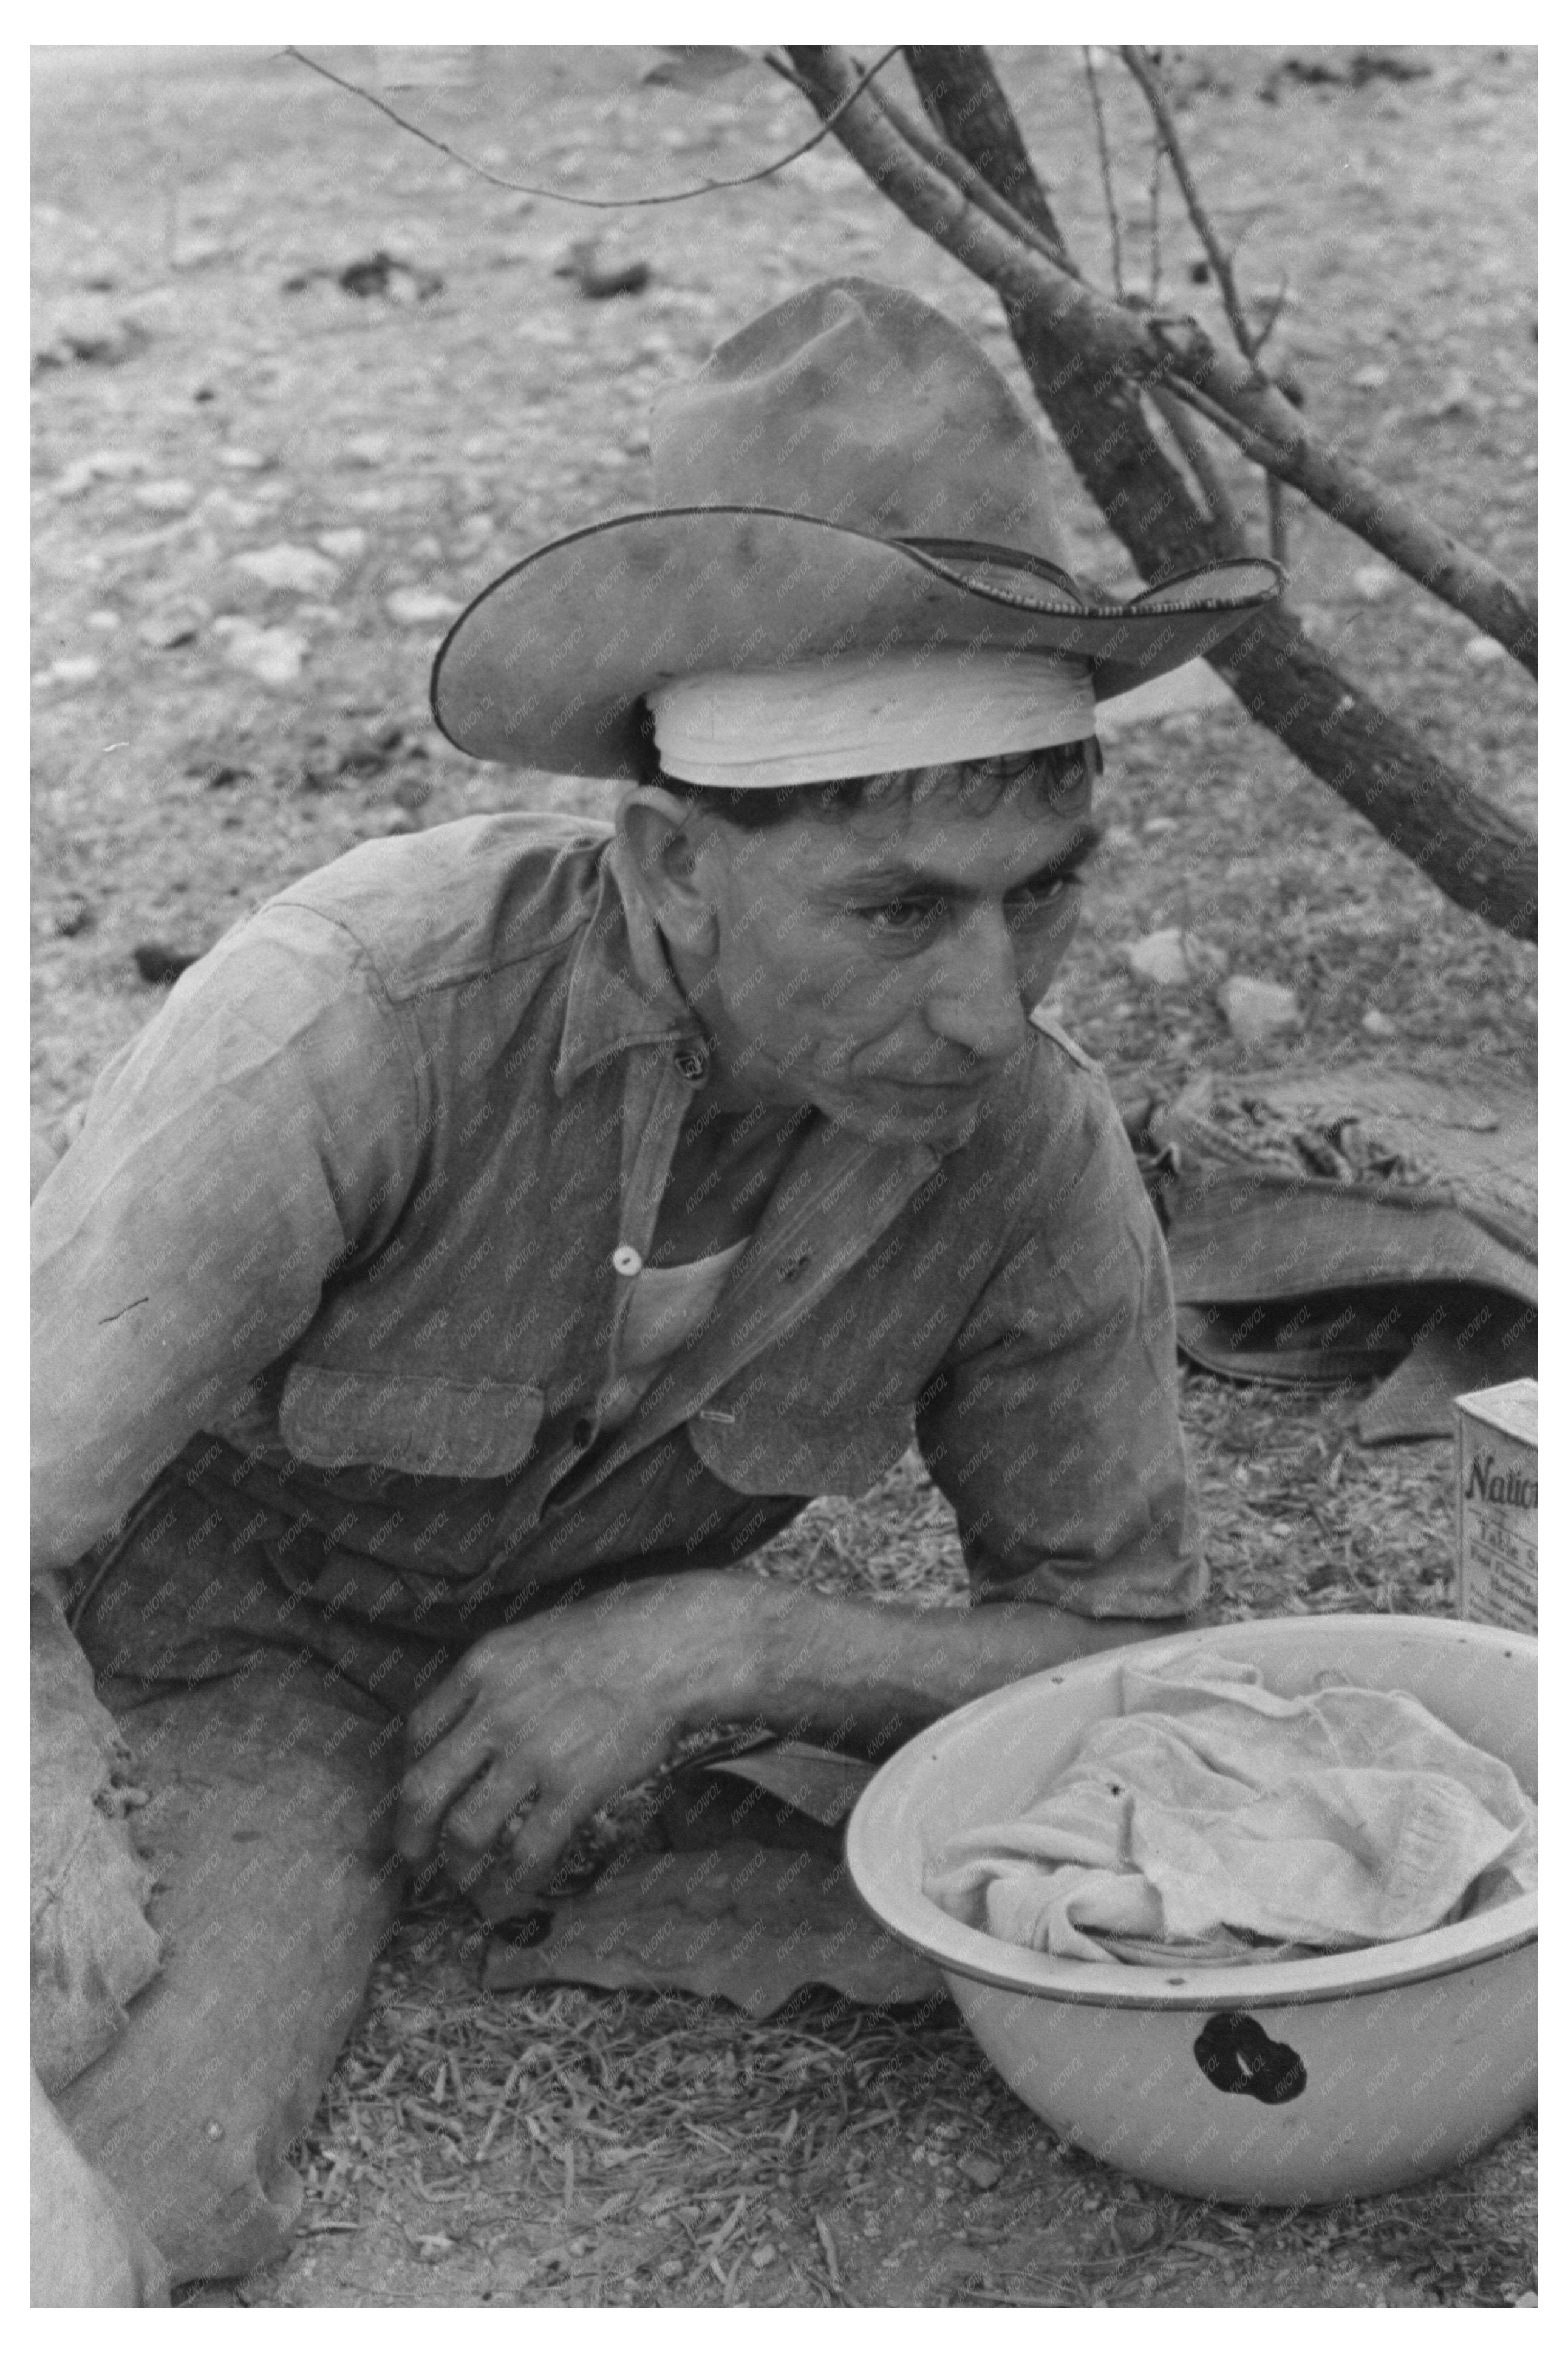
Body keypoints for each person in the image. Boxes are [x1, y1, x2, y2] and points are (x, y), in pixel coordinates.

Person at [30, 276, 1281, 2300]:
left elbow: (1122, 1644)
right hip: (161, 1657)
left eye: (1047, 892)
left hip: (420, 1717)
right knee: (112, 2190)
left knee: (150, 2162)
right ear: (671, 861)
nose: (985, 1011)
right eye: (892, 911)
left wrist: (718, 1643)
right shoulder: (350, 1026)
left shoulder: (1031, 1149)